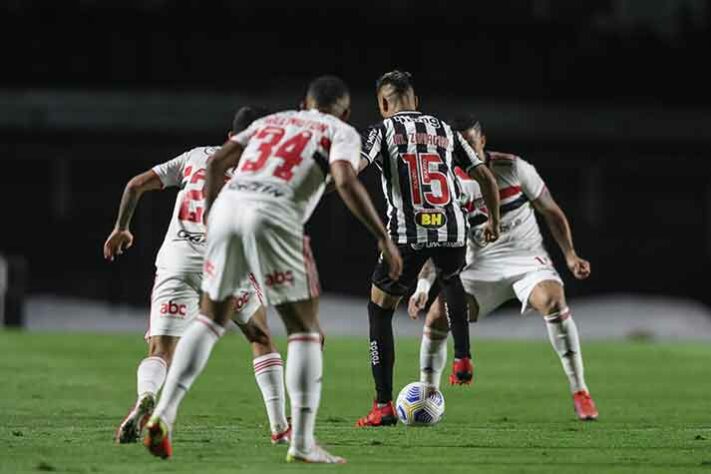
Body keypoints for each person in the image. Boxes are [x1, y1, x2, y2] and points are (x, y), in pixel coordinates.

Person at [143, 75, 402, 464]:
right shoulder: (342, 131)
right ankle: (301, 443)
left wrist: (214, 214)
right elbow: (346, 180)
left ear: (303, 103)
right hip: (276, 215)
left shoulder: (272, 121)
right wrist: (383, 238)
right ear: (345, 111)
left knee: (210, 320)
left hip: (229, 209)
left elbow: (216, 162)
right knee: (305, 331)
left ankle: (163, 414)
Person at [104, 106, 292, 445]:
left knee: (160, 349)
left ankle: (145, 397)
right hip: (224, 267)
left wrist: (121, 228)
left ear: (229, 135)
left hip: (176, 261)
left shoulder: (196, 157)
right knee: (260, 336)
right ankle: (280, 427)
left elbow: (135, 185)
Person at [408, 116, 598, 420]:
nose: (466, 150)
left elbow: (551, 212)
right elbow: (439, 241)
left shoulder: (514, 168)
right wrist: (422, 287)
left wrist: (570, 255)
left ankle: (580, 391)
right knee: (436, 316)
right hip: (479, 267)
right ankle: (427, 399)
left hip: (527, 260)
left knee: (553, 300)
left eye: (470, 142)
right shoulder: (447, 182)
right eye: (459, 145)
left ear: (482, 140)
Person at [355, 71, 501, 427]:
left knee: (379, 310)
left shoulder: (381, 130)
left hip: (408, 233)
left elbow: (354, 166)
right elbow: (484, 174)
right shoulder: (444, 129)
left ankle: (383, 405)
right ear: (416, 101)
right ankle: (462, 358)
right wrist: (494, 220)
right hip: (452, 228)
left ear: (383, 103)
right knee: (451, 276)